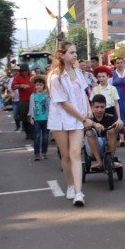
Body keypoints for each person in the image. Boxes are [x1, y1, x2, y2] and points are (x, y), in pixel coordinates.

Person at [47, 41, 94, 207]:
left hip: (77, 120)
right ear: (62, 55)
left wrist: (88, 110)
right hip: (60, 120)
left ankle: (79, 192)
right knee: (65, 156)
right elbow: (64, 104)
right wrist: (83, 118)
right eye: (72, 52)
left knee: (75, 154)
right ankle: (70, 185)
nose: (75, 55)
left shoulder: (79, 72)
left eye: (75, 52)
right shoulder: (55, 77)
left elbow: (83, 93)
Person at [85, 94, 124, 170]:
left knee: (112, 129)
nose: (99, 110)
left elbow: (122, 131)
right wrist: (94, 125)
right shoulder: (89, 119)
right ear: (92, 106)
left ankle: (111, 160)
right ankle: (99, 161)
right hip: (92, 148)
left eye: (102, 107)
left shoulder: (110, 117)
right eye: (97, 107)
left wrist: (120, 125)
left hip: (107, 147)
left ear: (105, 106)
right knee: (89, 132)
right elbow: (82, 130)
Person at [28, 75, 51, 161]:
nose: (39, 86)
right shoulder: (32, 96)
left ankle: (44, 153)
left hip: (45, 118)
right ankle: (37, 154)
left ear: (43, 86)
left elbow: (49, 106)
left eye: (40, 85)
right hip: (36, 119)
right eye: (37, 85)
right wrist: (31, 118)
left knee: (45, 137)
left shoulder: (46, 96)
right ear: (35, 86)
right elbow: (31, 107)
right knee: (37, 136)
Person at [12, 64, 34, 140]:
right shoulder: (17, 77)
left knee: (33, 117)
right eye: (22, 71)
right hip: (24, 101)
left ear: (28, 70)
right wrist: (21, 85)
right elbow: (13, 87)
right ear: (20, 71)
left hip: (33, 99)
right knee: (24, 118)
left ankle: (33, 133)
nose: (24, 72)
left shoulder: (32, 76)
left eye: (26, 71)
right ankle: (28, 133)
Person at [7, 65, 21, 132]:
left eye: (17, 71)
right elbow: (9, 88)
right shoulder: (11, 79)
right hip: (15, 100)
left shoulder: (22, 78)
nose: (16, 72)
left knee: (23, 114)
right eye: (15, 70)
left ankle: (24, 127)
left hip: (22, 99)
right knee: (15, 114)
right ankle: (18, 126)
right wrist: (12, 93)